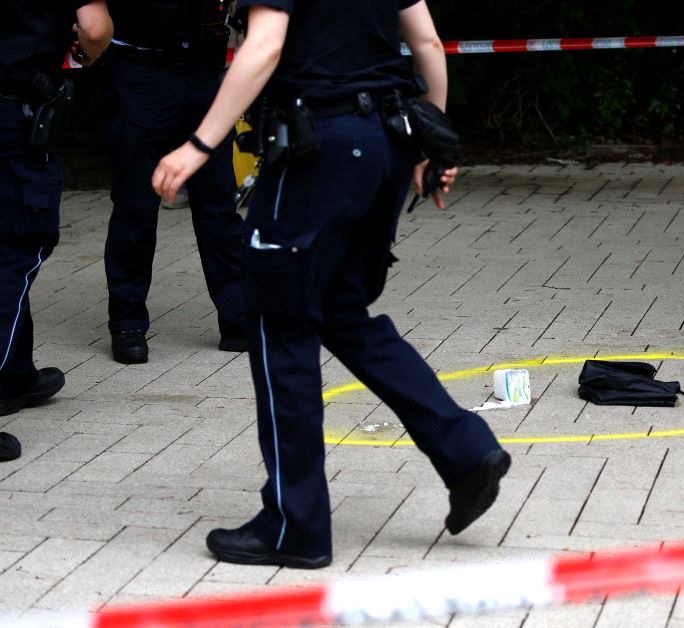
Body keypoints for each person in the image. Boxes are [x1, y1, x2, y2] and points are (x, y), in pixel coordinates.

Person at [152, 0, 510, 567]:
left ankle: (296, 527)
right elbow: (428, 44)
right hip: (385, 144)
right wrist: (432, 139)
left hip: (317, 150)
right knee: (340, 310)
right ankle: (467, 452)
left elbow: (265, 45)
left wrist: (200, 145)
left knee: (277, 325)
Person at [100, 0, 247, 365]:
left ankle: (239, 319)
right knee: (136, 205)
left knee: (218, 204)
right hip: (140, 67)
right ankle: (128, 322)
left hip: (203, 68)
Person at [1, 0, 112, 460]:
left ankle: (14, 375)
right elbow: (94, 27)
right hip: (12, 114)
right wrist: (88, 50)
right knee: (14, 254)